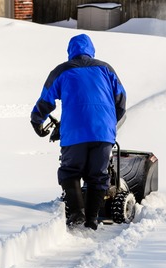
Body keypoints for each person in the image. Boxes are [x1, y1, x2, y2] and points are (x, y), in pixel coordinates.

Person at [30, 33, 126, 230]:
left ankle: (76, 216)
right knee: (97, 176)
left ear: (70, 52)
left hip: (74, 133)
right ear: (91, 50)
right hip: (103, 133)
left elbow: (46, 100)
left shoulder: (62, 70)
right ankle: (92, 220)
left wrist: (37, 121)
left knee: (70, 172)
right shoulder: (106, 69)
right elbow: (121, 100)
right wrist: (109, 123)